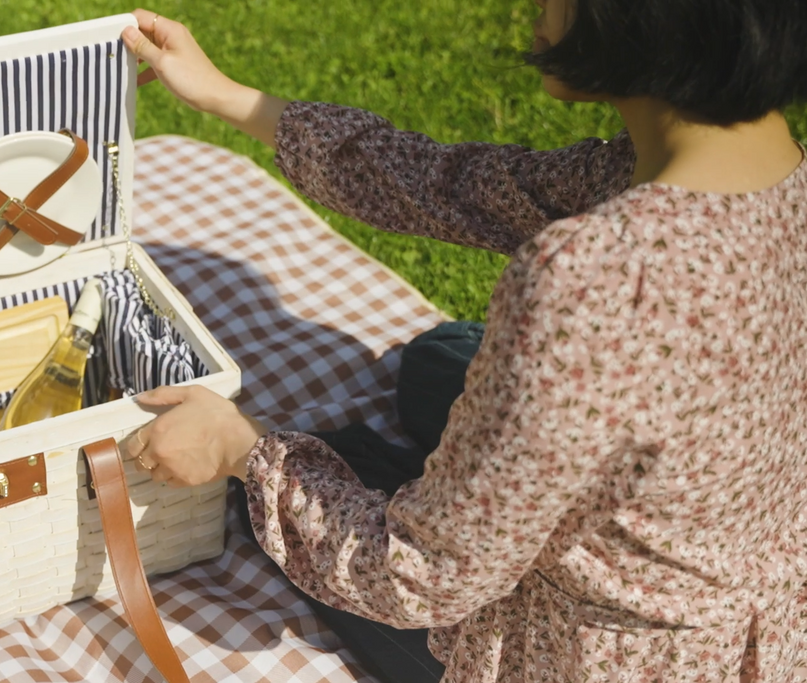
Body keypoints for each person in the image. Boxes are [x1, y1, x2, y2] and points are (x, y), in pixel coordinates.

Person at [119, 1, 807, 681]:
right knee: (432, 362)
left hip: (608, 653)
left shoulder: (593, 279)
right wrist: (230, 98)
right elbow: (453, 187)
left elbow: (417, 576)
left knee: (310, 485)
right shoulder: (758, 171)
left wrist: (243, 450)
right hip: (731, 551)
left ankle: (360, 471)